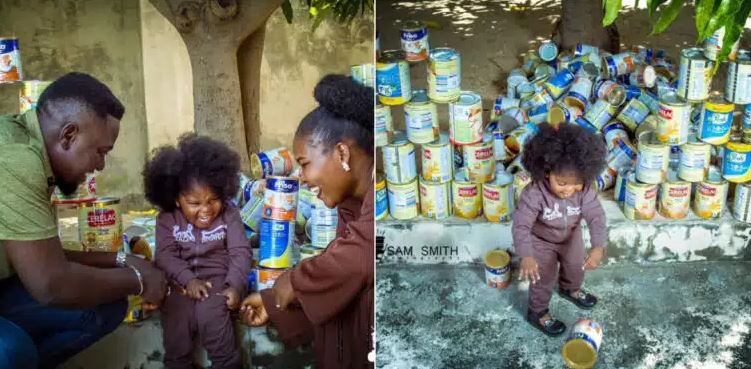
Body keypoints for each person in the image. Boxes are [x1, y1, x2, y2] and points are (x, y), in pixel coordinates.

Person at [0, 72, 168, 369]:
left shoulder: (31, 147)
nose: (100, 165)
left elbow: (39, 255)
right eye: (101, 152)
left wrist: (120, 260)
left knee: (103, 308)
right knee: (13, 350)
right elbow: (50, 284)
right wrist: (139, 281)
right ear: (68, 135)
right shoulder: (15, 160)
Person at [240, 74, 374, 369]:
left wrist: (292, 283)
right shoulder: (351, 205)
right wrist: (274, 303)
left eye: (304, 164)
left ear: (342, 152)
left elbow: (356, 263)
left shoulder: (382, 201)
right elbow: (341, 286)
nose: (301, 178)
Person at [143, 134, 251, 369]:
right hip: (178, 283)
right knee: (177, 324)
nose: (206, 210)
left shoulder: (229, 214)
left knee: (213, 316)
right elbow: (164, 255)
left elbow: (241, 252)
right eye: (194, 203)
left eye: (213, 200)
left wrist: (234, 285)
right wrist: (188, 279)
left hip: (218, 283)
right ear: (176, 198)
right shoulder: (167, 219)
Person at [512, 122, 608, 337]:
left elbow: (596, 217)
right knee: (543, 277)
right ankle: (537, 312)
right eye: (562, 183)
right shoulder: (534, 193)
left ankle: (569, 288)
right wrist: (526, 256)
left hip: (571, 236)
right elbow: (521, 225)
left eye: (576, 184)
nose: (569, 190)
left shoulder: (585, 190)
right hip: (540, 241)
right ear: (547, 172)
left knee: (575, 266)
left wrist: (598, 246)